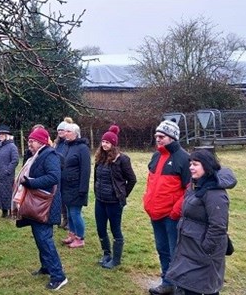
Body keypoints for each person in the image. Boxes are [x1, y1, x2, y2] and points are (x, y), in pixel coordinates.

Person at [165, 150, 237, 295]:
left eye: (195, 164)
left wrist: (206, 249)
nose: (191, 167)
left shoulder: (215, 193)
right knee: (190, 287)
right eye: (190, 163)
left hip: (202, 253)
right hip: (190, 249)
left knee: (202, 289)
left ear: (207, 166)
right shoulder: (196, 186)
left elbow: (218, 226)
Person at [13, 127, 68, 291]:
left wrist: (30, 182)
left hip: (45, 205)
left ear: (42, 142)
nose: (29, 144)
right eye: (28, 140)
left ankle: (59, 276)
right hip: (37, 203)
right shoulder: (37, 155)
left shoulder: (49, 155)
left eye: (32, 141)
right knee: (40, 238)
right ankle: (46, 267)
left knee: (44, 239)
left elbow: (53, 177)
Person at [143, 120, 191, 295]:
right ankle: (167, 282)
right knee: (162, 249)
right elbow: (151, 183)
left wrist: (175, 211)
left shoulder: (184, 159)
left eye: (161, 136)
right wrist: (147, 201)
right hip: (155, 213)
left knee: (175, 252)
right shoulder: (156, 156)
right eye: (156, 136)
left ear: (172, 137)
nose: (158, 139)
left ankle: (179, 286)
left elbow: (189, 189)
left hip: (172, 216)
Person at [93, 125, 137, 269]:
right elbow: (97, 177)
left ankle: (116, 259)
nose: (104, 144)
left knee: (115, 229)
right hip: (100, 200)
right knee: (100, 228)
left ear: (113, 144)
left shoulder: (122, 159)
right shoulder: (99, 157)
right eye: (103, 142)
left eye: (108, 142)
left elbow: (132, 179)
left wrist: (122, 195)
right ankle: (106, 254)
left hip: (114, 202)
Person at [60, 122, 91, 249]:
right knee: (69, 212)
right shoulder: (67, 146)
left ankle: (80, 238)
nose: (65, 133)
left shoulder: (82, 148)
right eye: (65, 131)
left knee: (75, 213)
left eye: (68, 131)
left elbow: (86, 170)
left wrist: (83, 189)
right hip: (66, 186)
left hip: (76, 187)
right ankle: (72, 235)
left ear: (76, 134)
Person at [0, 125, 19, 218]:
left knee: (8, 193)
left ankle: (11, 212)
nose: (0, 135)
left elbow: (15, 160)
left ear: (7, 135)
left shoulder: (12, 146)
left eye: (2, 134)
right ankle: (3, 211)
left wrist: (8, 170)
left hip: (7, 175)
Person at [54, 117, 73, 230]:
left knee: (68, 199)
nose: (60, 132)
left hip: (66, 174)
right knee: (60, 198)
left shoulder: (68, 143)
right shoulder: (56, 143)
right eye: (59, 130)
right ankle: (64, 219)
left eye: (62, 130)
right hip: (57, 174)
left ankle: (70, 221)